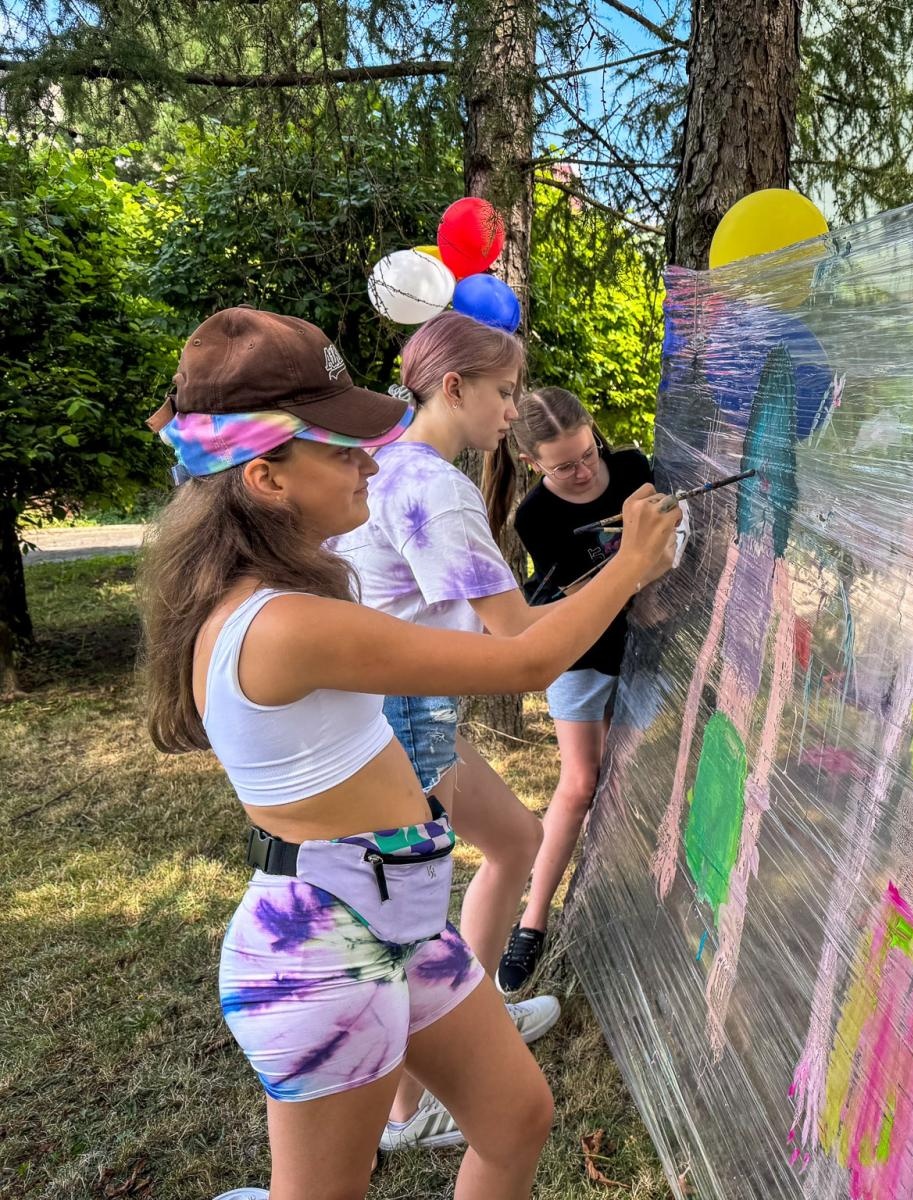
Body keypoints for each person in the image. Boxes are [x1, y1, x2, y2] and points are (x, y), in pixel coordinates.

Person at [139, 307, 678, 1200]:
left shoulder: (280, 594)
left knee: (516, 1119)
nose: (370, 463)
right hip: (323, 954)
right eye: (342, 452)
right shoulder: (285, 624)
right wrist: (630, 565)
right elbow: (523, 660)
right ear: (267, 479)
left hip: (396, 917)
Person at [325, 312, 614, 1146]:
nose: (512, 409)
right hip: (407, 715)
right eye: (504, 391)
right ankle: (407, 1113)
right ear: (454, 388)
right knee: (412, 932)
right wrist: (625, 573)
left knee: (518, 840)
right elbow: (519, 640)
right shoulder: (433, 484)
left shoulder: (384, 459)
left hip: (402, 704)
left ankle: (476, 1009)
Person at [493, 387, 655, 993]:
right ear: (532, 462)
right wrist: (636, 575)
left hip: (646, 647)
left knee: (627, 773)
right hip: (581, 654)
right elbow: (579, 599)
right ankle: (532, 922)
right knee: (581, 782)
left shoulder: (634, 467)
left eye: (588, 454)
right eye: (564, 467)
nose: (584, 471)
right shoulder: (535, 516)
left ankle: (618, 893)